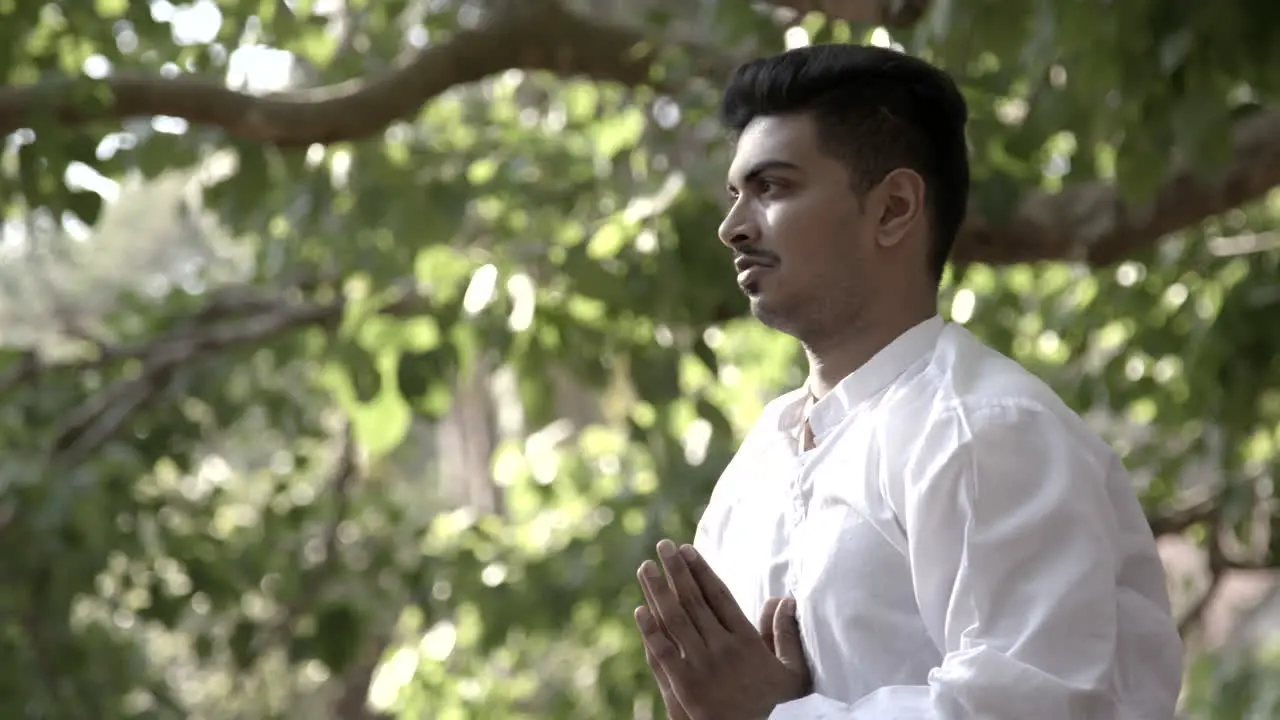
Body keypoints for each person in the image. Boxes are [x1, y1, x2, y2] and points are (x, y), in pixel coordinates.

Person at [632, 44, 1185, 720]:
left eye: (772, 187)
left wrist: (776, 717)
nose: (733, 227)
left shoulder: (982, 431)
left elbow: (1034, 707)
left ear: (893, 208)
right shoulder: (758, 467)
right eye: (734, 194)